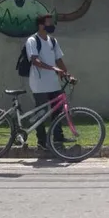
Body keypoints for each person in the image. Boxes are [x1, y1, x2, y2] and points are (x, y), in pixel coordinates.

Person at [26, 14, 74, 151]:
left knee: (57, 111)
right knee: (41, 113)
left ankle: (57, 137)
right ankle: (41, 142)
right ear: (41, 25)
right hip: (39, 83)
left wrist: (67, 74)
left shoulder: (52, 41)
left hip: (54, 83)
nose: (51, 25)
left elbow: (59, 59)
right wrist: (53, 68)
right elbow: (35, 60)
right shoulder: (32, 40)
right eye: (48, 23)